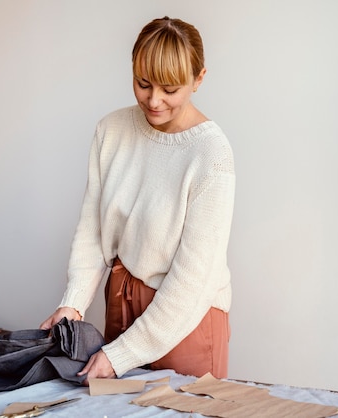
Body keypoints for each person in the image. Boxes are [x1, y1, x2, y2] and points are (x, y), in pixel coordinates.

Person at [40, 16, 235, 384]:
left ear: (199, 78)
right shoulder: (111, 130)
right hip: (122, 303)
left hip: (185, 318)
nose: (154, 100)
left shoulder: (211, 155)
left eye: (170, 89)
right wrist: (74, 302)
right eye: (143, 83)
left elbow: (192, 282)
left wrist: (123, 354)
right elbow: (93, 230)